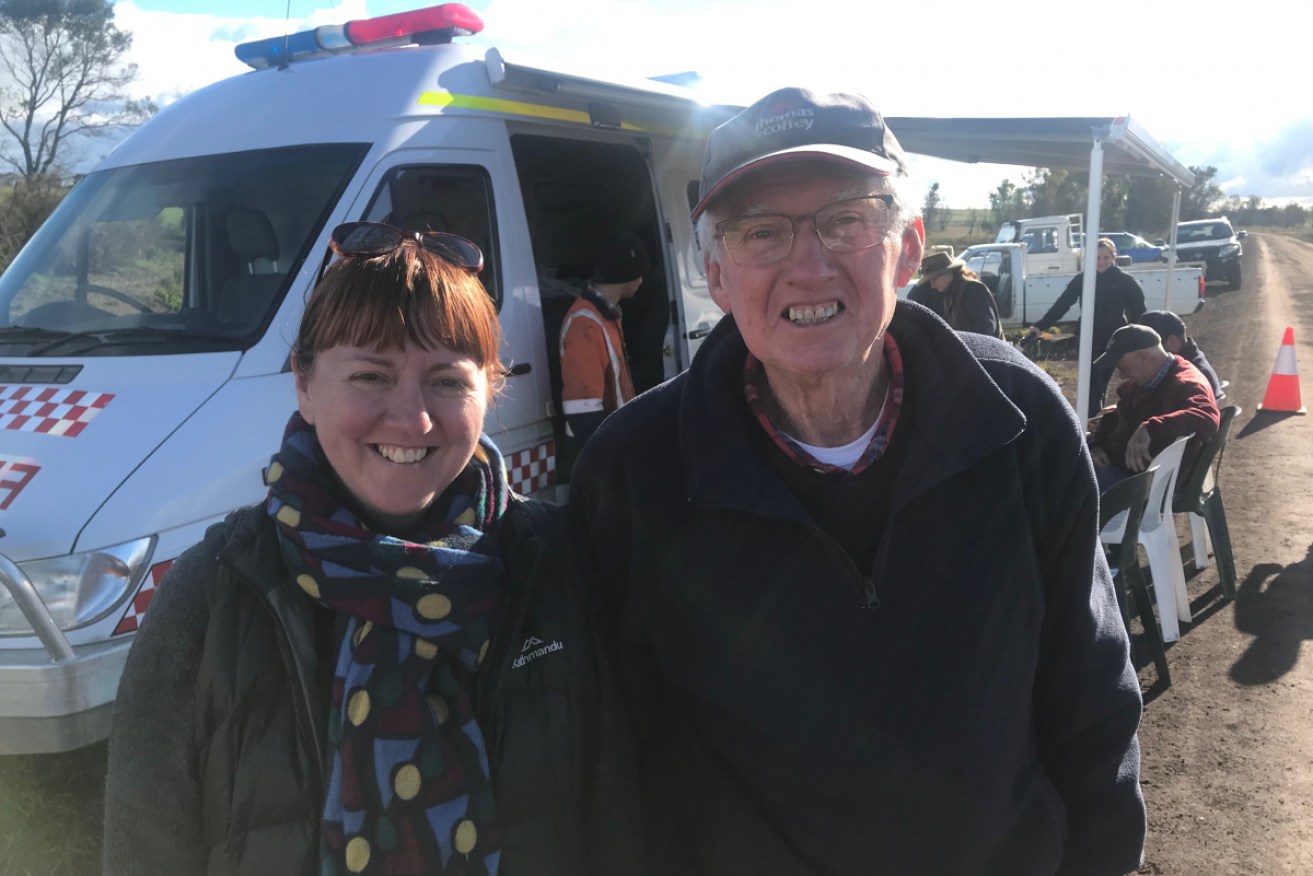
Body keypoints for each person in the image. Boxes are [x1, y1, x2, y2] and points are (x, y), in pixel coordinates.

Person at [570, 87, 1146, 875]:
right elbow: (620, 755)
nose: (807, 268)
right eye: (761, 233)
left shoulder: (1015, 420)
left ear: (906, 247)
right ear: (715, 272)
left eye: (845, 221)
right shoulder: (632, 472)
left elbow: (1091, 701)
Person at [103, 222, 638, 876]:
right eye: (370, 376)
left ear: (488, 388)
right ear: (303, 381)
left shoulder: (560, 564)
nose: (411, 419)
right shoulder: (212, 592)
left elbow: (623, 820)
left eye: (446, 382)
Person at [1088, 323, 1220, 493]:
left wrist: (1151, 427)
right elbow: (1118, 417)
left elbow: (1207, 417)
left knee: (1063, 482)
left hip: (1145, 483)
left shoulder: (1184, 382)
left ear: (1143, 357)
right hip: (1129, 473)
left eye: (1122, 367)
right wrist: (1097, 445)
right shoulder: (1147, 381)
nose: (1121, 375)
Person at [1025, 236, 1147, 416]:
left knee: (1100, 385)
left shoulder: (1124, 281)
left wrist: (1133, 337)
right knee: (1092, 385)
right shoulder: (1083, 279)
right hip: (1087, 339)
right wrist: (1040, 327)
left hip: (1112, 341)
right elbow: (1062, 304)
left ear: (1113, 257)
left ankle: (1093, 422)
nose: (1101, 262)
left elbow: (1139, 311)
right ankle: (1091, 422)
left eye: (1106, 257)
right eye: (1097, 258)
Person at [558, 229, 647, 450]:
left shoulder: (605, 315)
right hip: (595, 450)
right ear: (625, 274)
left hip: (612, 438)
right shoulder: (585, 324)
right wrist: (607, 459)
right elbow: (583, 411)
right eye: (639, 272)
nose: (642, 280)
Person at [906, 250, 1004, 338]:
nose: (932, 285)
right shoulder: (948, 294)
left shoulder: (973, 290)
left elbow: (987, 332)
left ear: (948, 273)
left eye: (934, 279)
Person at [1135, 309, 1225, 401]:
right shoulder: (1191, 358)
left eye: (1147, 349)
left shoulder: (1188, 380)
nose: (1142, 356)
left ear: (1172, 342)